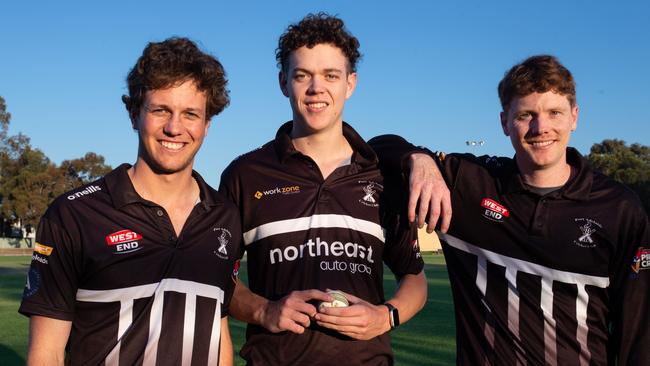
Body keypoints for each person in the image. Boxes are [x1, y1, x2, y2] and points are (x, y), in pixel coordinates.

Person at [370, 55, 650, 365]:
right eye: (526, 115)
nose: (541, 127)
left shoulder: (619, 208)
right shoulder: (470, 185)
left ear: (574, 116)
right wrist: (418, 159)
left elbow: (638, 333)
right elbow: (377, 148)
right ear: (504, 122)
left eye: (554, 112)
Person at [219, 13, 427, 365]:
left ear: (351, 83)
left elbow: (414, 275)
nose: (317, 89)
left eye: (331, 75)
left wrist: (386, 316)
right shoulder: (246, 174)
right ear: (284, 82)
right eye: (303, 76)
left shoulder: (381, 175)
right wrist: (265, 310)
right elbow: (218, 278)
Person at [19, 37, 241, 365]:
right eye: (160, 110)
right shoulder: (74, 215)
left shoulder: (225, 217)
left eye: (190, 114)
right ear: (134, 113)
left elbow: (216, 328)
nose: (174, 127)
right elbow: (46, 354)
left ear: (207, 124)